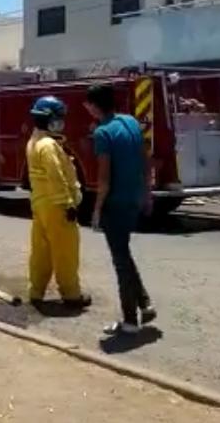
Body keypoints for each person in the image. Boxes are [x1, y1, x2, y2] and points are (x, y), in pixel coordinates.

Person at [85, 83, 156, 336]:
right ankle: (145, 303)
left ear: (94, 106)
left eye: (88, 104)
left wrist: (96, 210)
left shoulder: (103, 133)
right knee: (124, 254)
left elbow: (104, 180)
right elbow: (146, 161)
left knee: (120, 262)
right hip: (133, 200)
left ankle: (129, 321)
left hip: (114, 204)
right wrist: (147, 194)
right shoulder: (131, 123)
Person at [25, 96, 91, 310]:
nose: (62, 122)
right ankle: (72, 295)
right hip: (57, 206)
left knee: (41, 252)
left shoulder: (34, 141)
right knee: (65, 252)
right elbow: (56, 176)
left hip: (41, 204)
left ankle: (36, 291)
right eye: (59, 118)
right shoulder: (48, 146)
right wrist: (68, 204)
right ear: (50, 120)